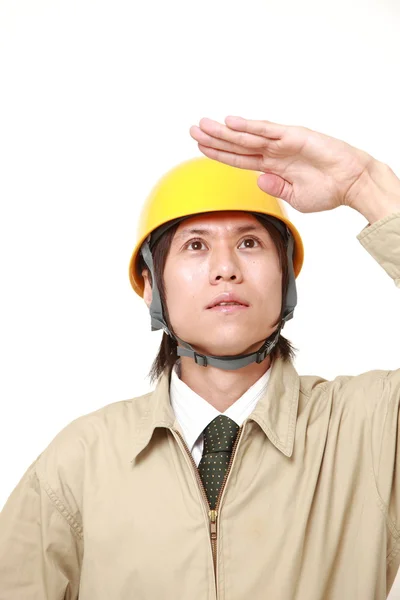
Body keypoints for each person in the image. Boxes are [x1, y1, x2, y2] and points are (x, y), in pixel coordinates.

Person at [0, 116, 399, 600]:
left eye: (249, 243)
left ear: (286, 278)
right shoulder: (79, 463)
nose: (225, 269)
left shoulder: (371, 428)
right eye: (195, 246)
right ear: (151, 286)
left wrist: (369, 187)